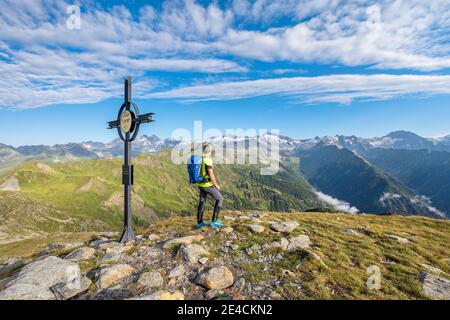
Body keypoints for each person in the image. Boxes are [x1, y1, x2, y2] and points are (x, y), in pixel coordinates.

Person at [195, 142, 224, 229]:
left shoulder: (200, 158)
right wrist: (216, 185)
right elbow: (211, 174)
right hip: (207, 184)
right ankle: (214, 221)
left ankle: (199, 223)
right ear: (210, 151)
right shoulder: (208, 160)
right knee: (220, 199)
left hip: (200, 184)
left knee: (202, 201)